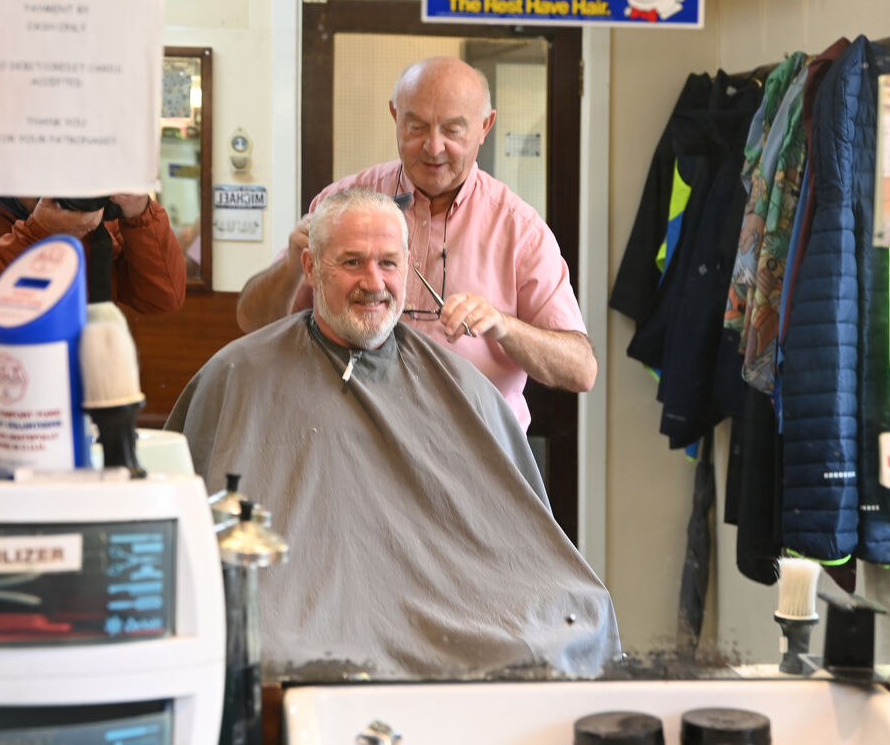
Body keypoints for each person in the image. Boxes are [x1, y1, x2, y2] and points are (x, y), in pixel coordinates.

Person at [166, 189, 618, 680]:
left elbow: (520, 542)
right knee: (261, 654)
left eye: (388, 263)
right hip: (296, 614)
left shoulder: (460, 387)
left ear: (407, 266)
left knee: (575, 616)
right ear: (311, 268)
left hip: (449, 601)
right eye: (352, 262)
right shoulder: (238, 376)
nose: (373, 282)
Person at [235, 56, 596, 430]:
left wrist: (503, 326)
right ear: (395, 116)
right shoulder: (341, 203)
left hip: (472, 457)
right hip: (349, 444)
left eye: (453, 131)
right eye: (416, 126)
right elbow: (253, 322)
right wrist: (294, 264)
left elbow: (580, 370)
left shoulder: (520, 230)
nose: (433, 147)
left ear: (485, 126)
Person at [0, 192, 186, 316]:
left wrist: (139, 212)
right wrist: (37, 233)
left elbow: (163, 298)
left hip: (79, 394)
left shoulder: (93, 206)